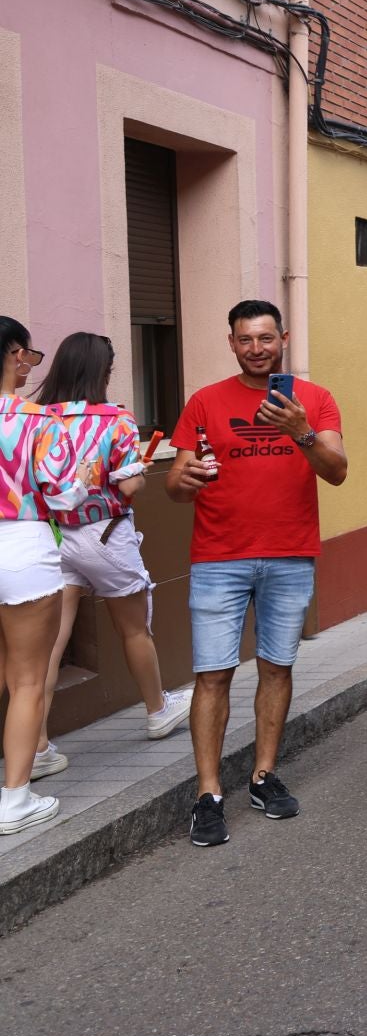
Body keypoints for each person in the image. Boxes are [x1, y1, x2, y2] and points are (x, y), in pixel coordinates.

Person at [165, 300, 346, 848]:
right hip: (219, 557)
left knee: (276, 667)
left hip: (289, 555)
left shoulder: (314, 399)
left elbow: (336, 472)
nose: (257, 348)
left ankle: (264, 776)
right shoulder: (205, 401)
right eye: (245, 340)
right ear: (231, 343)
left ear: (283, 338)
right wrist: (186, 477)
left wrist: (301, 431)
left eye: (266, 338)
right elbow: (174, 484)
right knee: (213, 673)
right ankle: (209, 794)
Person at [30, 334, 188, 779]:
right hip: (106, 535)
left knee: (49, 645)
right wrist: (136, 469)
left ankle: (37, 744)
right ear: (102, 372)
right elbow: (130, 487)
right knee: (134, 629)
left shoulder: (39, 417)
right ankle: (158, 709)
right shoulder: (115, 419)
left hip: (53, 537)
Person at [0, 318, 80, 835]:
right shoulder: (38, 420)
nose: (31, 365)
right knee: (27, 680)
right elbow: (65, 495)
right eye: (29, 356)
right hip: (23, 547)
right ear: (12, 353)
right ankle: (14, 800)